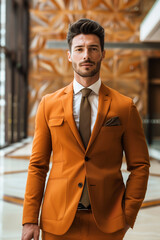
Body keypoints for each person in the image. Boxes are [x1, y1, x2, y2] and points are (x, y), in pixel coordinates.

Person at [21, 18, 150, 240]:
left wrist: (127, 214)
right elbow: (38, 165)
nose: (86, 55)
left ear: (103, 54)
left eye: (93, 49)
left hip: (108, 223)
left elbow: (140, 165)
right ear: (69, 55)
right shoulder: (48, 104)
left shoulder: (124, 107)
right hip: (57, 221)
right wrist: (30, 219)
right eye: (79, 49)